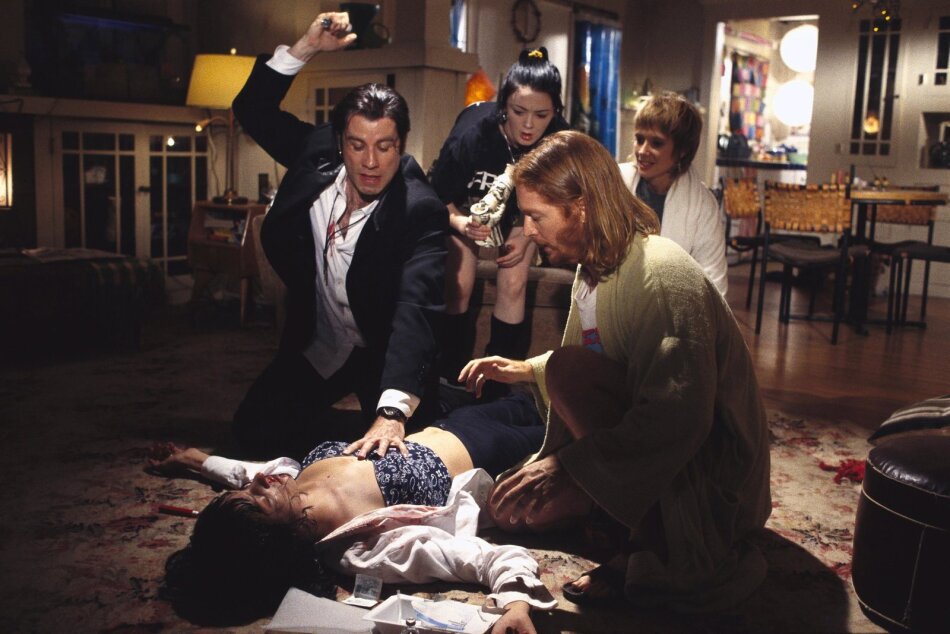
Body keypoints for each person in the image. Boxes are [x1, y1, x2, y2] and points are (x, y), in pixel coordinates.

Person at [460, 131, 771, 612]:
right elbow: (608, 354)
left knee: (566, 373)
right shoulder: (594, 267)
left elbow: (680, 416)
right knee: (512, 512)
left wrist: (569, 467)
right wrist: (522, 369)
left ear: (582, 207)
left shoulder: (661, 272)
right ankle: (617, 513)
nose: (529, 230)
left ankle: (654, 543)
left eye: (538, 216)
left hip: (710, 477)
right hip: (657, 447)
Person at [231, 13, 448, 459]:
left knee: (406, 458)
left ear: (402, 145)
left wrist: (392, 412)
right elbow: (252, 110)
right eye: (357, 145)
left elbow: (416, 310)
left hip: (384, 357)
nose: (370, 162)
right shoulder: (316, 153)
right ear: (339, 142)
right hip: (321, 343)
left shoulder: (420, 210)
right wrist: (306, 47)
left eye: (384, 146)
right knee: (251, 434)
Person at [149, 393, 552, 632]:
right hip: (502, 453)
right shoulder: (365, 548)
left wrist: (196, 460)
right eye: (260, 498)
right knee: (579, 410)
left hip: (455, 421)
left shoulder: (288, 487)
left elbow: (249, 472)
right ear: (282, 541)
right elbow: (483, 558)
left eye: (247, 492)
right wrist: (516, 604)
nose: (259, 483)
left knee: (535, 389)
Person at [428, 47, 570, 383]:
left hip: (525, 210)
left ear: (555, 112)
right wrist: (460, 223)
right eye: (519, 112)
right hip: (464, 205)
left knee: (514, 279)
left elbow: (556, 203)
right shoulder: (472, 134)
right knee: (459, 282)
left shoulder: (558, 140)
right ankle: (449, 374)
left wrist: (528, 237)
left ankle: (497, 378)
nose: (529, 125)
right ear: (504, 105)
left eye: (541, 114)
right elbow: (436, 197)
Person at [618, 92, 728, 296]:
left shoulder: (703, 206)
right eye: (639, 139)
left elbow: (714, 285)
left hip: (675, 308)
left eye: (656, 143)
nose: (642, 150)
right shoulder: (615, 182)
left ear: (682, 150)